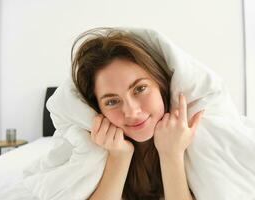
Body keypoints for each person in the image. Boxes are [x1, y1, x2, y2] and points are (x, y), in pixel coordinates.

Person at [71, 27, 203, 200]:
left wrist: (171, 154)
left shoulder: (198, 139)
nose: (132, 112)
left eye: (140, 89)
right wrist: (119, 157)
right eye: (112, 101)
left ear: (161, 84)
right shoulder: (94, 149)